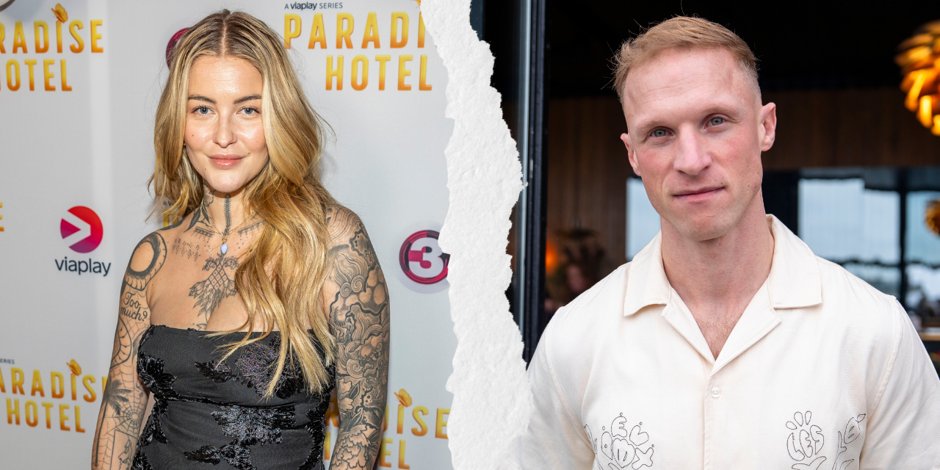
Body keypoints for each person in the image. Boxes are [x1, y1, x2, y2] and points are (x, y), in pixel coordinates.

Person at [519, 16, 940, 468]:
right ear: (633, 154)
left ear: (765, 127)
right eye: (659, 132)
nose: (691, 160)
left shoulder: (874, 331)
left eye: (715, 121)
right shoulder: (574, 338)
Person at [91, 10, 389, 470]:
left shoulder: (330, 242)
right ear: (178, 122)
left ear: (279, 119)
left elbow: (361, 424)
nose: (224, 136)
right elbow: (122, 406)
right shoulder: (154, 256)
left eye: (248, 109)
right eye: (202, 109)